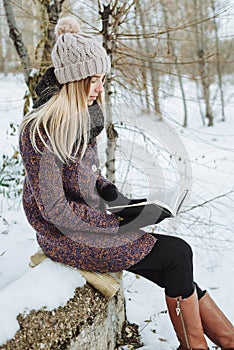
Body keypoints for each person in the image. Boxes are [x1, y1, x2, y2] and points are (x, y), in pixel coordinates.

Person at [19, 17, 234, 350]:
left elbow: (87, 177)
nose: (99, 87)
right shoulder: (39, 132)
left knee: (176, 261)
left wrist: (119, 199)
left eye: (102, 79)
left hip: (88, 227)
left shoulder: (82, 118)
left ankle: (225, 340)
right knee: (176, 256)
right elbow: (54, 210)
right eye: (92, 79)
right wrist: (116, 221)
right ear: (73, 80)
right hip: (65, 236)